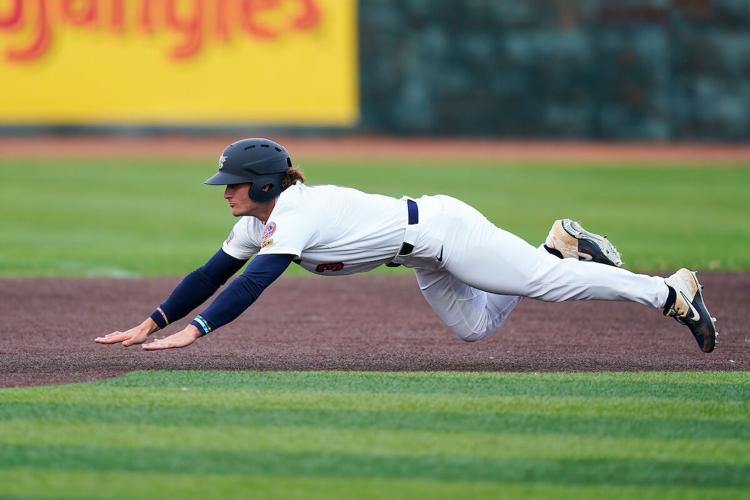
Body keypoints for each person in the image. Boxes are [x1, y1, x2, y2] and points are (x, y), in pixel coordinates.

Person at [95, 138, 717, 353]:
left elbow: (255, 283)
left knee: (544, 287)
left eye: (232, 183)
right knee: (475, 329)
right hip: (420, 255)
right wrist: (151, 322)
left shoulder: (295, 214)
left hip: (447, 232)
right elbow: (213, 273)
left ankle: (668, 291)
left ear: (260, 183)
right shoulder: (257, 223)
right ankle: (557, 246)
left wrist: (198, 331)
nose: (225, 192)